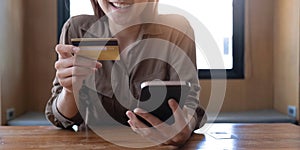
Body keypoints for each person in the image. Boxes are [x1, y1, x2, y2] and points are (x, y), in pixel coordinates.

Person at [45, 0, 206, 146]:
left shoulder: (176, 29)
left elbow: (189, 105)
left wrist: (184, 128)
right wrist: (69, 91)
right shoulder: (76, 29)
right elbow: (61, 119)